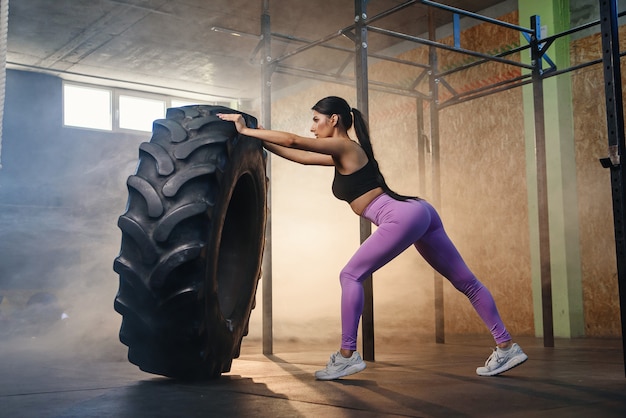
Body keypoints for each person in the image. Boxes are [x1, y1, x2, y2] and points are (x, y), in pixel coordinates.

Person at [217, 96, 528, 380]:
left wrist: (246, 130)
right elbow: (297, 154)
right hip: (420, 212)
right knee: (467, 283)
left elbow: (293, 140)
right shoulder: (342, 154)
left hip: (400, 216)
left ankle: (347, 355)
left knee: (350, 275)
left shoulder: (345, 147)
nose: (312, 127)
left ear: (334, 120)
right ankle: (506, 347)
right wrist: (256, 141)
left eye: (316, 119)